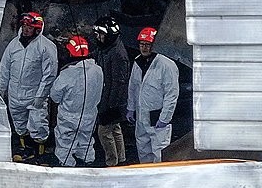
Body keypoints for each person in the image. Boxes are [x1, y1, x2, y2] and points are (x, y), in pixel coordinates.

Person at [0, 11, 58, 159]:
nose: (25, 29)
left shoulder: (46, 47)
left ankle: (40, 153)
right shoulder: (13, 45)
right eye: (24, 26)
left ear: (37, 29)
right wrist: (1, 89)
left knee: (38, 125)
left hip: (34, 96)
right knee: (19, 124)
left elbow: (49, 75)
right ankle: (25, 150)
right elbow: (5, 68)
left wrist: (41, 96)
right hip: (14, 94)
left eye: (29, 27)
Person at [126, 27, 180, 163]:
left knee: (160, 153)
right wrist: (131, 108)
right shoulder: (138, 62)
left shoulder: (167, 65)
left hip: (157, 115)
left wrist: (165, 118)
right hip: (142, 116)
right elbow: (133, 87)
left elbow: (171, 94)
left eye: (148, 45)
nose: (144, 48)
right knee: (143, 150)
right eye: (142, 44)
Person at [50, 35, 104, 167]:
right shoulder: (98, 70)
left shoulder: (67, 74)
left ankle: (67, 164)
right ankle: (88, 161)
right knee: (86, 140)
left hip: (69, 116)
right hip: (90, 114)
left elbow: (54, 96)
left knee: (65, 142)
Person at [92, 16, 131, 166]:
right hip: (110, 99)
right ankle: (121, 159)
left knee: (104, 131)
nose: (97, 37)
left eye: (100, 34)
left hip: (112, 101)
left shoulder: (118, 54)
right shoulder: (107, 49)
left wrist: (110, 106)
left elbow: (119, 82)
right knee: (115, 128)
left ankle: (111, 162)